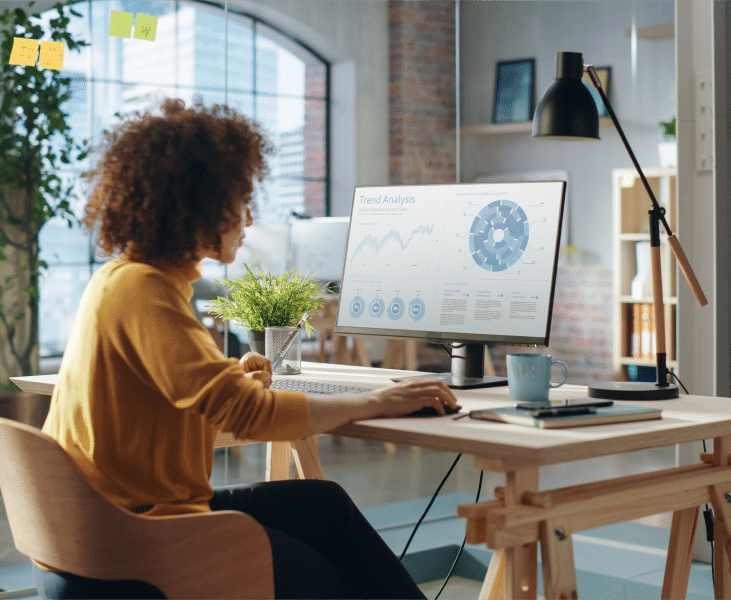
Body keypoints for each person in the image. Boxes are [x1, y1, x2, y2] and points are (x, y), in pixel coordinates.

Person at [35, 98, 459, 599]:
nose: (248, 216)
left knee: (324, 507)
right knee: (334, 581)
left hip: (115, 522)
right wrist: (376, 401)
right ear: (196, 208)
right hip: (134, 539)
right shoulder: (145, 292)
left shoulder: (124, 280)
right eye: (238, 200)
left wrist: (232, 377)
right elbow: (248, 415)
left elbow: (174, 395)